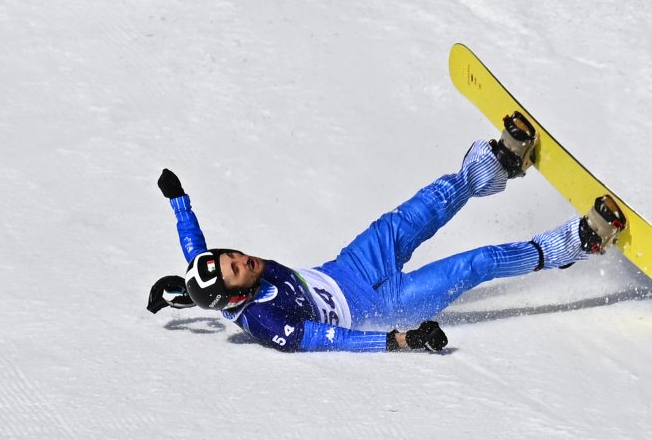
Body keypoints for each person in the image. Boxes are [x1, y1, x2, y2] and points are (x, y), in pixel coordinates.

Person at [147, 112, 626, 353]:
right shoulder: (269, 323)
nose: (244, 261)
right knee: (475, 263)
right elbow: (330, 341)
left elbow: (194, 245)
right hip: (385, 304)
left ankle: (497, 163)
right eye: (236, 270)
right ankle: (578, 243)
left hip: (352, 264)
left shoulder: (211, 274)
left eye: (235, 256)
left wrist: (178, 198)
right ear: (235, 298)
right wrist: (400, 340)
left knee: (424, 208)